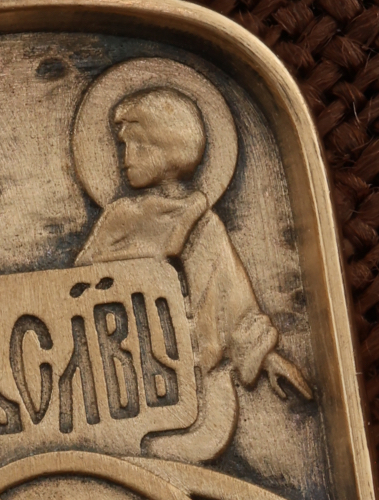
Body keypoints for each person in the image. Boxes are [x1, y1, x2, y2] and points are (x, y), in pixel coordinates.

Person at [78, 87, 311, 424]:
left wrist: (266, 357)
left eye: (139, 146)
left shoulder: (203, 225)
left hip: (185, 379)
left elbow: (231, 301)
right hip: (116, 377)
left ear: (171, 150)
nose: (126, 157)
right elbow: (77, 288)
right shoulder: (119, 218)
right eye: (124, 146)